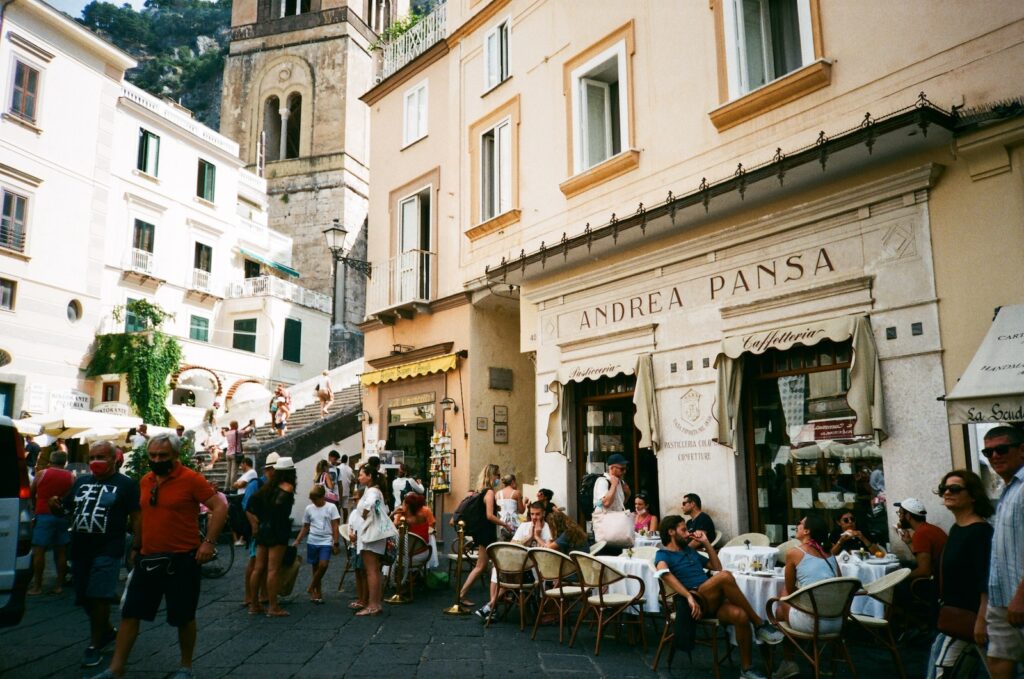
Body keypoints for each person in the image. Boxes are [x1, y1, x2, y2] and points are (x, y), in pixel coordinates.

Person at [97, 433, 227, 679]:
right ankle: (116, 669)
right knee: (130, 613)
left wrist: (208, 543)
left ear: (175, 455)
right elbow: (144, 515)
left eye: (162, 455)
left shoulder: (191, 479)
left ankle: (185, 667)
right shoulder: (146, 480)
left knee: (183, 616)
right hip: (149, 556)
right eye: (153, 455)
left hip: (182, 558)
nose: (157, 459)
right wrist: (137, 546)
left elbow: (220, 506)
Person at [655, 515, 783, 679]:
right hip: (696, 601)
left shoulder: (689, 551)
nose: (688, 533)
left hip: (711, 600)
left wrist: (706, 543)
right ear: (671, 532)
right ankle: (759, 624)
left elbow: (716, 566)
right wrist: (688, 596)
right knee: (725, 577)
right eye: (684, 530)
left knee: (740, 615)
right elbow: (663, 573)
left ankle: (746, 669)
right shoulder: (663, 555)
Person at [48, 441, 140, 668]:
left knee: (99, 595)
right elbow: (66, 509)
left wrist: (138, 545)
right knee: (85, 597)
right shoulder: (81, 482)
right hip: (79, 548)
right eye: (92, 457)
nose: (95, 462)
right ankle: (107, 631)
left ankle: (94, 645)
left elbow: (137, 517)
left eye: (101, 457)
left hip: (108, 547)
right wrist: (54, 505)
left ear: (114, 459)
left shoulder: (126, 485)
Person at [926, 469, 994, 679]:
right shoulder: (957, 528)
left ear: (972, 495)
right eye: (943, 488)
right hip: (951, 619)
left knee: (941, 673)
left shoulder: (980, 532)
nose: (947, 492)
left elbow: (987, 582)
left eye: (954, 488)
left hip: (970, 621)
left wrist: (981, 622)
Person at [772, 515, 842, 679]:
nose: (797, 525)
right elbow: (839, 586)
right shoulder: (829, 555)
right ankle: (810, 655)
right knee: (797, 602)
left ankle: (788, 661)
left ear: (807, 531)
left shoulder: (795, 553)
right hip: (836, 623)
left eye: (800, 523)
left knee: (782, 598)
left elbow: (790, 591)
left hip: (812, 624)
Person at [980, 425, 1024, 679]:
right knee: (998, 660)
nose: (994, 456)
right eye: (988, 452)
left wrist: (1021, 596)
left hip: (1018, 597)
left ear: (1022, 450)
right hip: (1001, 599)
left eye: (1001, 449)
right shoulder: (1008, 489)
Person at [247, 456, 296, 617]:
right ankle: (273, 607)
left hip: (263, 529)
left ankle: (254, 605)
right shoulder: (287, 487)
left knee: (258, 568)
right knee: (273, 569)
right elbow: (279, 509)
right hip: (278, 530)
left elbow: (251, 504)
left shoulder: (267, 487)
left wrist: (260, 519)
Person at [460, 464, 512, 615]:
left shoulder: (482, 492)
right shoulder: (489, 493)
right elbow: (489, 516)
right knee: (485, 566)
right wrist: (504, 524)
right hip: (486, 533)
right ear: (491, 476)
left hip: (483, 532)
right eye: (497, 475)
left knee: (485, 566)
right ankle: (491, 599)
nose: (499, 478)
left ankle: (496, 597)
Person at [28, 450, 74, 595]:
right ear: (65, 462)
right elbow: (72, 497)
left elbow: (31, 492)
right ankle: (59, 585)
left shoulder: (42, 474)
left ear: (51, 460)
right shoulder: (71, 476)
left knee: (39, 551)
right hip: (61, 516)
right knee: (61, 551)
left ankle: (37, 586)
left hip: (43, 514)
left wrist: (35, 505)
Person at [350, 464, 388, 616]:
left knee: (371, 570)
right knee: (374, 570)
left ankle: (373, 605)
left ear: (370, 476)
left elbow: (370, 503)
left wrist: (365, 514)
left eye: (361, 474)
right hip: (373, 534)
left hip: (370, 535)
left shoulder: (372, 491)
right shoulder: (372, 490)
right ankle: (375, 603)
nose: (359, 477)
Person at [293, 485, 340, 605]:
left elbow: (335, 525)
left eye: (315, 499)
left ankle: (311, 586)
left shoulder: (331, 507)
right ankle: (317, 593)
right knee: (315, 567)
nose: (313, 502)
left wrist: (336, 542)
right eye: (312, 500)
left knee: (323, 565)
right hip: (312, 540)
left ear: (322, 497)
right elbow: (305, 526)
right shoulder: (309, 508)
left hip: (326, 540)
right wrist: (298, 540)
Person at [242, 452, 276, 611]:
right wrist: (255, 525)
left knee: (263, 563)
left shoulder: (273, 485)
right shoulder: (256, 484)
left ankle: (262, 595)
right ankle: (250, 597)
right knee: (255, 563)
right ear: (268, 470)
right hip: (258, 529)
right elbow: (246, 507)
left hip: (268, 529)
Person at [895, 497, 947, 580]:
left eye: (900, 514)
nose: (900, 517)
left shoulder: (921, 534)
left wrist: (899, 578)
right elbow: (923, 559)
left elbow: (925, 571)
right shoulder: (930, 528)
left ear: (908, 516)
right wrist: (909, 542)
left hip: (939, 580)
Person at [494, 473, 523, 539]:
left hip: (500, 524)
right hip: (513, 524)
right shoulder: (516, 493)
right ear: (513, 481)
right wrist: (525, 503)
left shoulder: (497, 493)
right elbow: (521, 511)